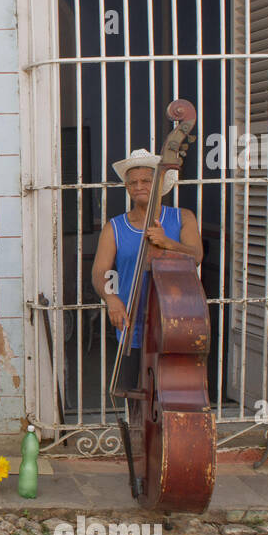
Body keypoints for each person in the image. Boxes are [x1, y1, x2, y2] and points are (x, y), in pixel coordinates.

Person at [91, 148, 204, 391]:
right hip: (132, 322)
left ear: (159, 184)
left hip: (176, 322)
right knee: (135, 394)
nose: (139, 186)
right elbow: (101, 272)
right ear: (128, 188)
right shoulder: (115, 227)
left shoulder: (183, 218)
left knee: (177, 392)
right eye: (133, 182)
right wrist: (111, 298)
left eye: (146, 180)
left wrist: (168, 243)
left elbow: (196, 257)